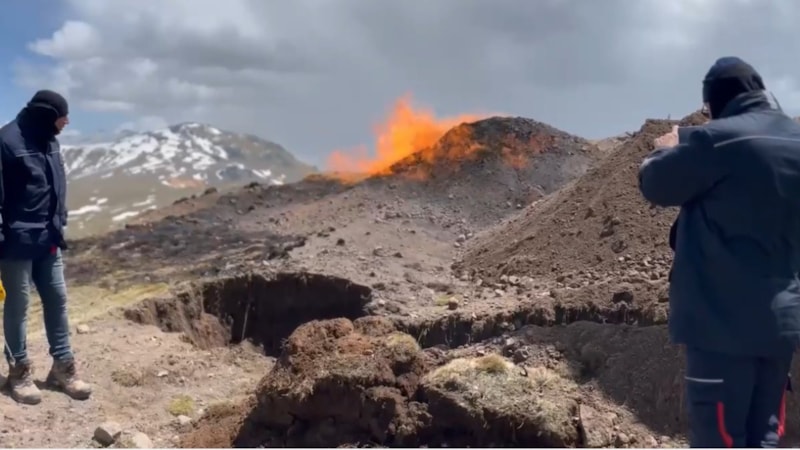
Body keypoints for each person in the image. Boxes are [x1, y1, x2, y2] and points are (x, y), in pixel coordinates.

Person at [638, 56, 800, 447]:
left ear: (715, 102)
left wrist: (666, 149)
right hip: (779, 327)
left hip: (722, 327)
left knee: (720, 439)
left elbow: (655, 184)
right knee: (763, 436)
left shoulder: (717, 140)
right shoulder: (794, 142)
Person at [0, 90, 91, 405]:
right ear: (44, 114)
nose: (66, 121)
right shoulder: (7, 141)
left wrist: (59, 220)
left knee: (58, 299)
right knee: (18, 306)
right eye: (61, 116)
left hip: (48, 238)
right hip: (15, 243)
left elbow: (56, 184)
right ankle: (19, 372)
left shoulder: (50, 138)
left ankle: (63, 368)